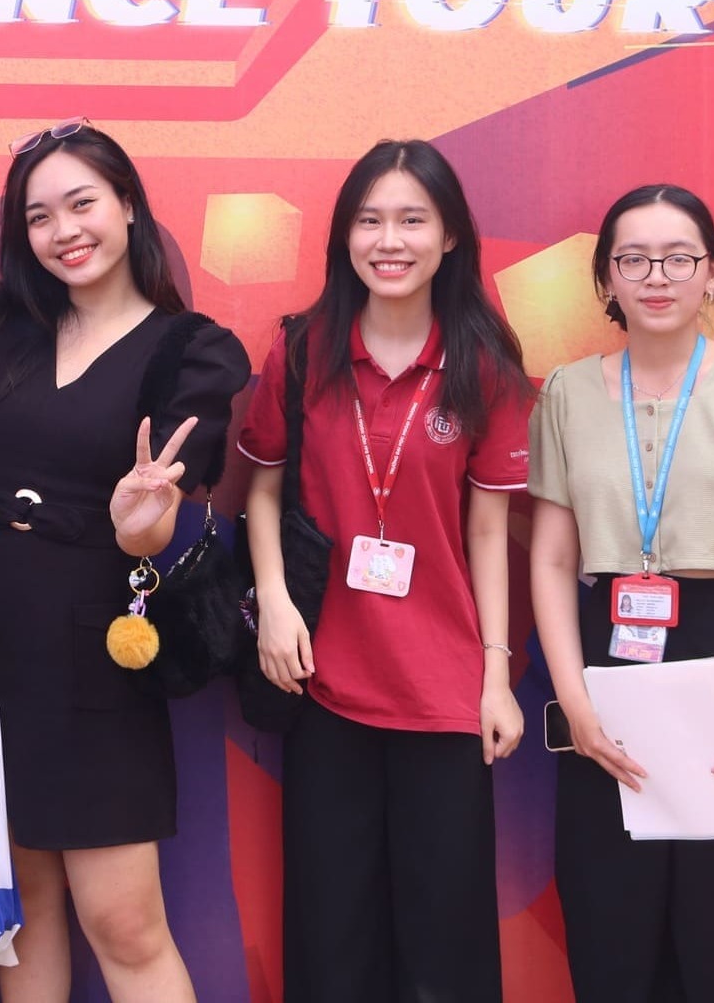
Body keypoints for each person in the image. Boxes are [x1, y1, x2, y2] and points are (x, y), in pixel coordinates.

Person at [0, 121, 249, 1003]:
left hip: (100, 651)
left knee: (125, 925)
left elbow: (154, 539)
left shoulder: (187, 350)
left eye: (82, 203)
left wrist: (138, 524)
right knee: (24, 917)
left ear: (128, 205)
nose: (65, 231)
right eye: (40, 216)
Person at [240, 139, 531, 1003]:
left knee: (446, 952)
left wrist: (494, 676)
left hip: (444, 698)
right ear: (343, 237)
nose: (389, 240)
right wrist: (276, 607)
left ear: (450, 239)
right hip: (324, 686)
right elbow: (258, 492)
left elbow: (488, 531)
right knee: (332, 946)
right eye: (370, 220)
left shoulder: (483, 363)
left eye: (413, 219)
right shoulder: (302, 352)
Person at [527, 184, 714, 1002]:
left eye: (680, 257)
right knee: (610, 934)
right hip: (606, 661)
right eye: (633, 259)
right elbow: (551, 561)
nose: (657, 276)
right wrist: (574, 702)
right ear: (606, 281)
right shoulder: (566, 393)